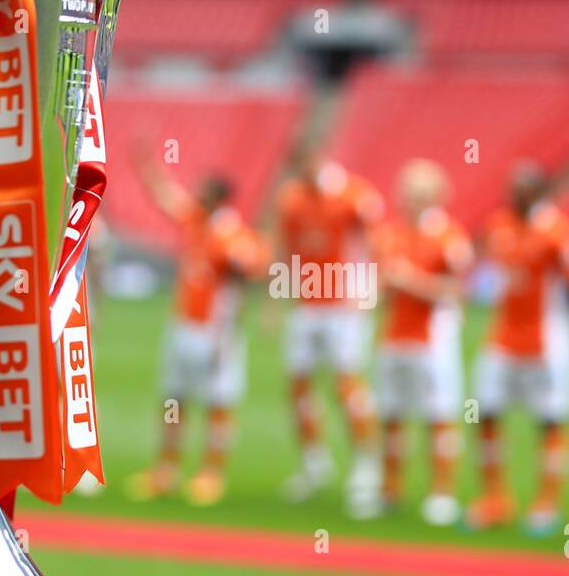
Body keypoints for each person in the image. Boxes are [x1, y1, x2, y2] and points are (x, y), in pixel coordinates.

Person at [125, 146, 268, 507]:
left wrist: (229, 332)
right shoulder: (195, 219)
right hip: (183, 325)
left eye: (202, 189)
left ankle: (210, 473)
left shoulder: (231, 234)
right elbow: (165, 196)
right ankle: (166, 470)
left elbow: (248, 275)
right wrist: (147, 164)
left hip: (215, 332)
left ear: (218, 199)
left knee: (218, 401)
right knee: (174, 398)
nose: (195, 192)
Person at [466, 162, 569, 536]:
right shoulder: (497, 226)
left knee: (550, 419)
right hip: (502, 339)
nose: (514, 196)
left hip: (545, 345)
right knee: (484, 413)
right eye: (512, 189)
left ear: (539, 192)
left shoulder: (558, 232)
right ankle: (495, 498)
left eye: (522, 189)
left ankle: (546, 503)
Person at [273, 144, 385, 509]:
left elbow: (374, 242)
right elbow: (286, 246)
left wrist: (370, 289)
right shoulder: (291, 198)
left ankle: (367, 467)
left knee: (347, 385)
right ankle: (313, 463)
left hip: (343, 305)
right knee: (298, 384)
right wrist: (277, 295)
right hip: (308, 304)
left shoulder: (353, 196)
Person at [369, 159, 474, 525]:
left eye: (416, 194)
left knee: (439, 415)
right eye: (405, 193)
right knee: (392, 413)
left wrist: (409, 280)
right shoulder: (388, 235)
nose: (407, 201)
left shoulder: (449, 237)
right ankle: (389, 488)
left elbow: (456, 293)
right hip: (395, 335)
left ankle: (442, 492)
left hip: (433, 339)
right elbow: (381, 290)